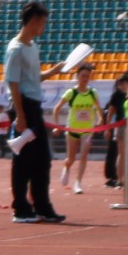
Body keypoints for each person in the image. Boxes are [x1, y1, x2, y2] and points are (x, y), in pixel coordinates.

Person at [3, 0, 64, 223]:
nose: (44, 27)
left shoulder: (32, 46)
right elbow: (14, 83)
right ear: (34, 21)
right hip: (23, 105)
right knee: (24, 160)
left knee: (42, 159)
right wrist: (20, 115)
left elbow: (32, 78)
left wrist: (52, 72)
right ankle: (20, 208)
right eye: (43, 22)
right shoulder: (16, 48)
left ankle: (42, 206)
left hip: (34, 105)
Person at [52, 63, 100, 196]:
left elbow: (98, 109)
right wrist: (57, 125)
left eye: (87, 76)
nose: (85, 79)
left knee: (84, 155)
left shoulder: (93, 93)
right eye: (83, 76)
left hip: (87, 130)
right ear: (77, 77)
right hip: (72, 129)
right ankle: (66, 167)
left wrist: (100, 120)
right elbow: (56, 109)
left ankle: (78, 183)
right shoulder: (71, 92)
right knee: (71, 158)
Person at [103, 72, 128, 187]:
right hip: (121, 125)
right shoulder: (116, 95)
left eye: (124, 83)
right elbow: (110, 112)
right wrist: (108, 128)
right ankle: (120, 179)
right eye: (120, 84)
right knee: (121, 153)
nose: (122, 86)